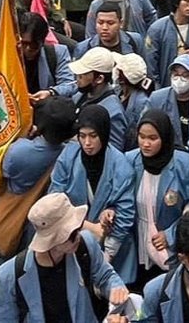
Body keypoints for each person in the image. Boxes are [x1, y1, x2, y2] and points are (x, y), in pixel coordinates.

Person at [0, 193, 130, 323]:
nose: (77, 237)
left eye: (78, 228)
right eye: (70, 234)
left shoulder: (85, 244)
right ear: (51, 241)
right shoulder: (12, 274)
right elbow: (6, 319)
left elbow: (105, 275)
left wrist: (115, 289)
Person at [120, 109, 189, 286]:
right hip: (137, 243)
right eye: (142, 137)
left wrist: (170, 234)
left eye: (153, 138)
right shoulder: (130, 160)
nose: (145, 144)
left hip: (169, 248)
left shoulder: (184, 163)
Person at [51, 105, 135, 265]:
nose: (87, 143)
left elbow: (126, 209)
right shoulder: (68, 156)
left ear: (103, 134)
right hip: (69, 240)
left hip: (112, 248)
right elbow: (54, 199)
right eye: (82, 136)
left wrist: (108, 253)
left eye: (93, 136)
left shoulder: (121, 165)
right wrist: (86, 226)